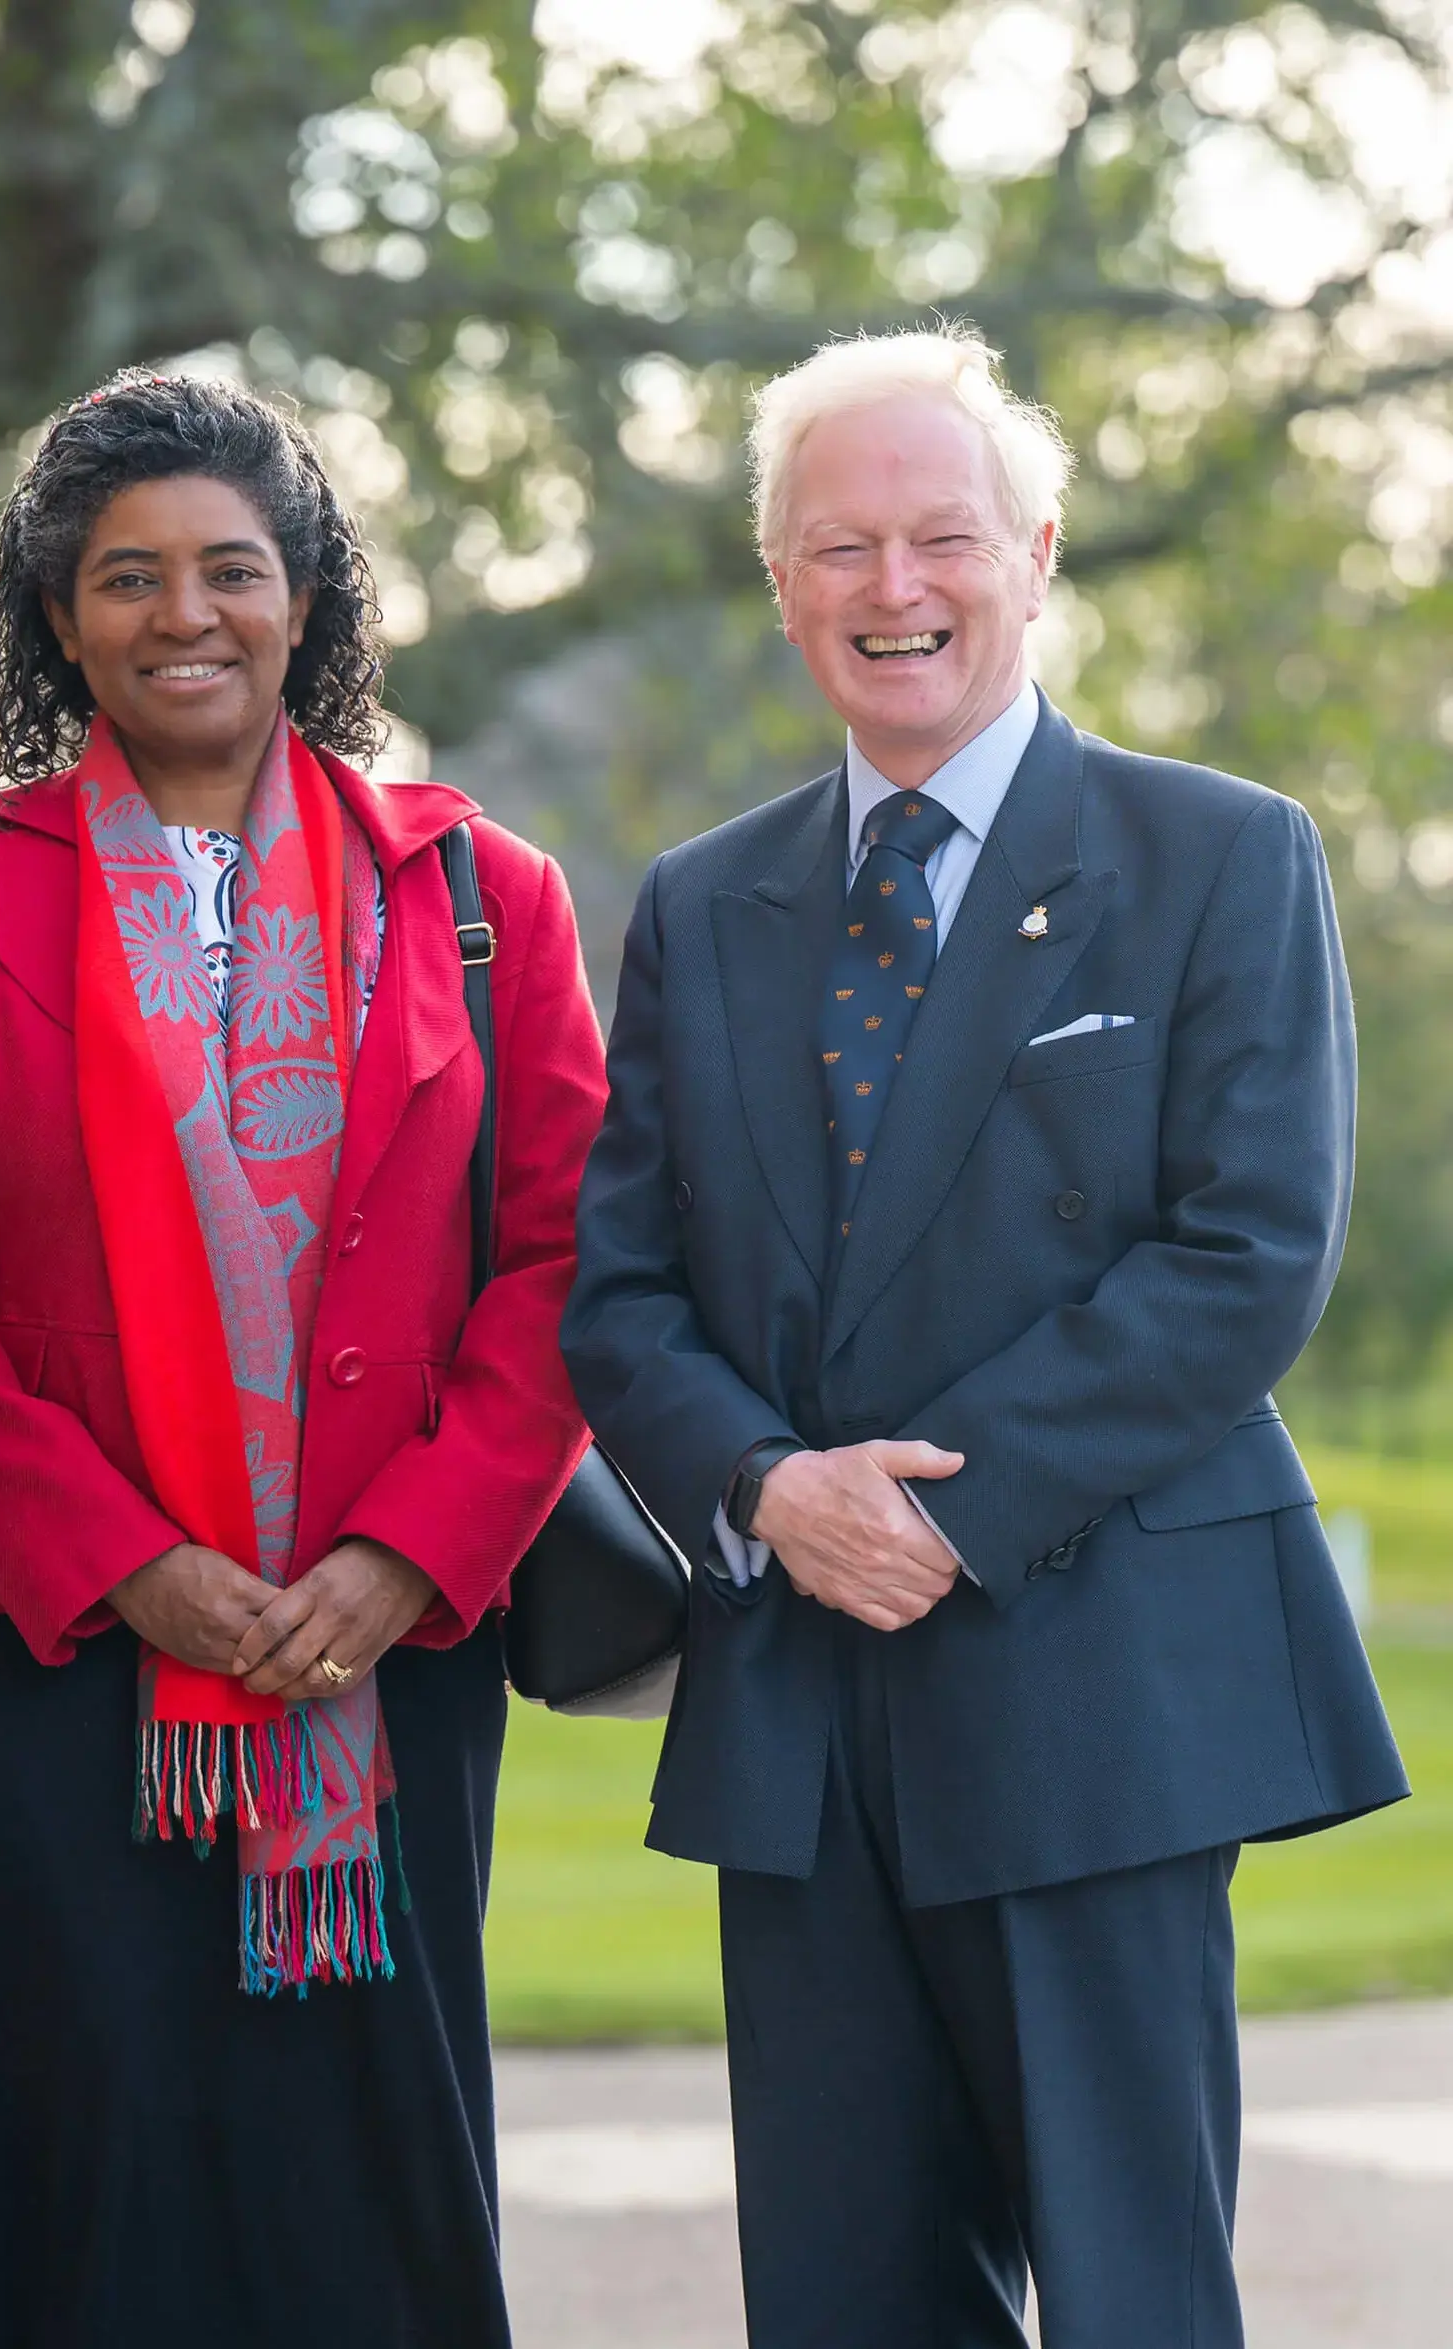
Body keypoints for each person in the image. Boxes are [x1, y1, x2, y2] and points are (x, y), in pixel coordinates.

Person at [561, 328, 1408, 2348]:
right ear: (776, 583)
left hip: (1092, 1684)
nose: (891, 586)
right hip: (796, 1706)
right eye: (834, 545)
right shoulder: (698, 903)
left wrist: (941, 1510)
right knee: (841, 2304)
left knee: (1127, 2295)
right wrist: (770, 1484)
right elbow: (613, 1286)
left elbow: (1245, 1251)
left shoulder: (1218, 856)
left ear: (1031, 552)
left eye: (938, 534)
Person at [0, 371, 607, 2347]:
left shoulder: (481, 895)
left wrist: (405, 1554)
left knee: (355, 2183)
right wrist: (124, 1562)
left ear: (306, 598)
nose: (184, 614)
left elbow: (560, 1261)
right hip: (39, 1645)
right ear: (54, 618)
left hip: (379, 1643)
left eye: (231, 571)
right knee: (58, 2168)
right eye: (126, 578)